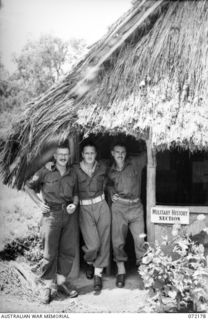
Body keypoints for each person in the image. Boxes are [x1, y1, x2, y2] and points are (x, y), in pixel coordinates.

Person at [25, 143, 79, 303]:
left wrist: (74, 204)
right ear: (54, 156)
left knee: (67, 251)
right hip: (50, 216)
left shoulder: (72, 173)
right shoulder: (45, 171)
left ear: (68, 156)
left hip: (68, 216)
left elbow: (76, 194)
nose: (63, 157)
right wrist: (38, 203)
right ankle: (46, 287)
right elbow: (28, 186)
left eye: (66, 154)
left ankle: (61, 283)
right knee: (49, 253)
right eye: (60, 154)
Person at [73, 141, 111, 293]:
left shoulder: (102, 167)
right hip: (84, 207)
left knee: (104, 240)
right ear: (82, 154)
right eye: (87, 153)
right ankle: (89, 261)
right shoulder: (75, 169)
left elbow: (113, 177)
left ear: (96, 154)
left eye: (92, 153)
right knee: (93, 244)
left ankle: (98, 274)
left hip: (101, 206)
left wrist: (113, 193)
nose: (89, 156)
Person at [108, 141, 147, 288]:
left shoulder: (135, 163)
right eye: (117, 152)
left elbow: (149, 152)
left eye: (123, 152)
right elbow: (107, 183)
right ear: (112, 153)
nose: (120, 155)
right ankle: (121, 271)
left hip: (136, 207)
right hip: (119, 208)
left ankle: (145, 272)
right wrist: (111, 192)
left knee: (140, 240)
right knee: (118, 241)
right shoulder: (110, 170)